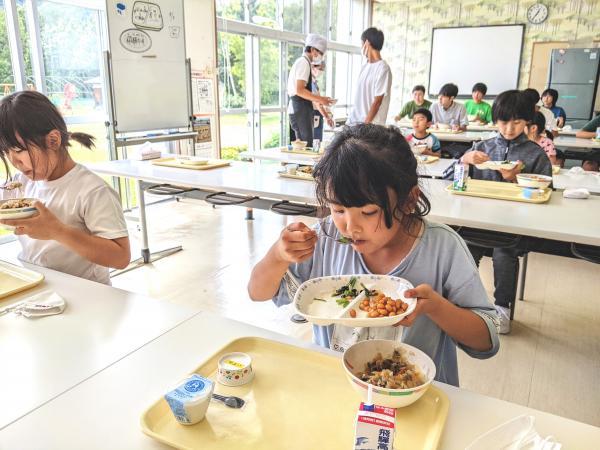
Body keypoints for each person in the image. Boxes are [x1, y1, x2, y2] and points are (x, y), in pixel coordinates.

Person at [248, 124, 499, 387]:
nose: (349, 226)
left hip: (416, 396)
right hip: (338, 385)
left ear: (409, 200)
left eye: (368, 212)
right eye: (338, 209)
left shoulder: (443, 248)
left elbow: (486, 342)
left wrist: (436, 307)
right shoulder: (325, 239)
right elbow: (258, 292)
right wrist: (278, 255)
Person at [0, 91, 130, 284]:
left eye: (19, 150)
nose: (13, 160)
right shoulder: (21, 183)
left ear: (53, 141)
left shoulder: (91, 190)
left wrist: (56, 230)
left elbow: (121, 257)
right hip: (39, 284)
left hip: (87, 294)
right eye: (5, 152)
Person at [461, 90, 552, 334]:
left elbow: (546, 192)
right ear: (495, 121)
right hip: (479, 220)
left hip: (515, 226)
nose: (509, 128)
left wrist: (516, 181)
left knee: (504, 253)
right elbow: (456, 183)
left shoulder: (535, 154)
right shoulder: (482, 147)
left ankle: (502, 309)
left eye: (517, 122)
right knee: (464, 249)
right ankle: (462, 303)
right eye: (503, 121)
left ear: (527, 122)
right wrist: (465, 160)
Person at [287, 34, 335, 148]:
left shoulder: (304, 62)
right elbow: (300, 90)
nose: (320, 57)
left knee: (304, 146)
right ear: (313, 49)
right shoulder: (304, 62)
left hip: (301, 108)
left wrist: (321, 100)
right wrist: (321, 99)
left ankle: (304, 166)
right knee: (305, 146)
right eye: (320, 53)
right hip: (299, 108)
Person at [347, 28, 392, 126]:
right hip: (355, 123)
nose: (361, 46)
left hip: (371, 127)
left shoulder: (383, 68)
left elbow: (377, 101)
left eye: (361, 43)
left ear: (367, 42)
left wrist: (365, 125)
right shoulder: (365, 67)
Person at [311, 61, 334, 144]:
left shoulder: (314, 83)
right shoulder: (310, 83)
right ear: (313, 67)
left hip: (317, 113)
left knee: (318, 140)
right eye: (319, 69)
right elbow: (317, 102)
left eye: (322, 70)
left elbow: (319, 101)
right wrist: (327, 117)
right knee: (316, 141)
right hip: (314, 113)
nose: (321, 71)